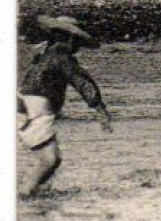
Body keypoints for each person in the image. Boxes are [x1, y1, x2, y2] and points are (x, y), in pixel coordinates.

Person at [18, 16, 112, 198]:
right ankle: (25, 194)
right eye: (77, 43)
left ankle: (35, 191)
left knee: (47, 159)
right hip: (37, 109)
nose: (78, 48)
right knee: (50, 160)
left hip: (23, 106)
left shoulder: (44, 53)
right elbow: (83, 83)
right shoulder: (62, 57)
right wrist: (101, 110)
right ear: (69, 39)